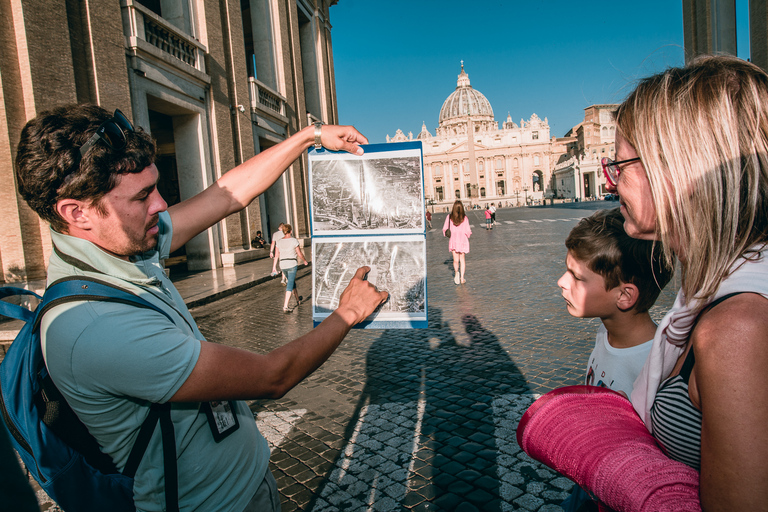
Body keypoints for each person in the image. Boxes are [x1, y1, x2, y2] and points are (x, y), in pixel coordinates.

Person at [14, 104, 388, 512]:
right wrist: (347, 313)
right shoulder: (97, 327)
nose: (161, 204)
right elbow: (272, 377)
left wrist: (309, 137)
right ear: (77, 212)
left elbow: (226, 196)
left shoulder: (119, 243)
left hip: (243, 485)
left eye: (154, 186)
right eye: (142, 196)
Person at [602, 55, 768, 509]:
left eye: (619, 166)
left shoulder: (736, 328)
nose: (612, 183)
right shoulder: (714, 292)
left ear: (678, 167)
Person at [556, 207, 673, 511]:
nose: (561, 282)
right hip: (590, 481)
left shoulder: (654, 363)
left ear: (625, 296)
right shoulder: (605, 332)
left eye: (577, 277)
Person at [270, 224, 309, 312]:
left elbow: (276, 255)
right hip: (292, 264)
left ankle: (298, 300)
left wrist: (274, 268)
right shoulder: (294, 241)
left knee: (291, 282)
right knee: (290, 284)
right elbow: (299, 253)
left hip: (283, 264)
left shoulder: (279, 242)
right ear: (291, 231)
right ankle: (285, 306)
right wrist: (305, 261)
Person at [442, 199, 471, 284]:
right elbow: (468, 231)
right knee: (462, 260)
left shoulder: (449, 217)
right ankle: (462, 278)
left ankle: (456, 273)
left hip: (453, 241)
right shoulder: (465, 218)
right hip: (462, 241)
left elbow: (444, 229)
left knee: (455, 260)